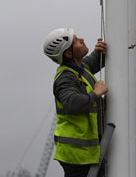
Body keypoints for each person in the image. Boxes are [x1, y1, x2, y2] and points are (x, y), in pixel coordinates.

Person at [42, 28, 108, 177]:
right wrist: (96, 93)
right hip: (77, 156)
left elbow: (91, 63)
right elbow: (72, 103)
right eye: (77, 41)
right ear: (68, 54)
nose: (82, 40)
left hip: (84, 153)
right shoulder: (65, 77)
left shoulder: (79, 68)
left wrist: (99, 53)